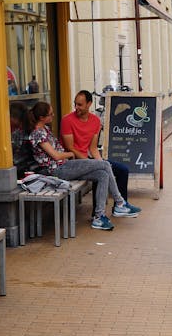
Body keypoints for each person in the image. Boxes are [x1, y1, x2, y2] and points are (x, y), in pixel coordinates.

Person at [28, 101, 140, 231]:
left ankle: (99, 217)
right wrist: (70, 154)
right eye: (50, 114)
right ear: (42, 118)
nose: (53, 116)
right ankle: (120, 203)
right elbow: (56, 156)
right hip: (57, 170)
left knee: (102, 174)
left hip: (64, 166)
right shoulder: (37, 133)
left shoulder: (44, 129)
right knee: (104, 164)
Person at [60, 89, 135, 204]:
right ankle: (99, 213)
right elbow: (71, 148)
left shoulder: (95, 121)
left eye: (80, 104)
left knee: (123, 170)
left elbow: (93, 148)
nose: (76, 107)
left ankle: (120, 206)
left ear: (89, 104)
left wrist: (98, 161)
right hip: (73, 162)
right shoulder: (67, 120)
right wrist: (94, 163)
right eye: (75, 104)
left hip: (87, 159)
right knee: (100, 170)